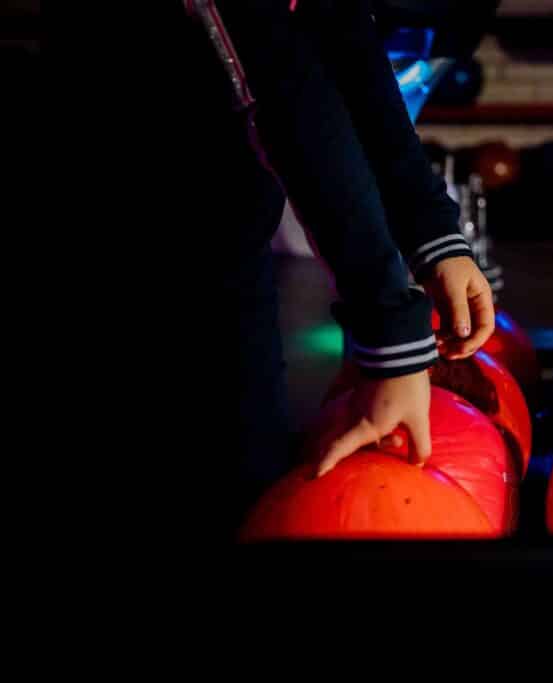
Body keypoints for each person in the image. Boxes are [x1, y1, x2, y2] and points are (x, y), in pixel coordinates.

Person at [183, 0, 495, 528]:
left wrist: (433, 233)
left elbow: (343, 38)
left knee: (251, 494)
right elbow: (277, 79)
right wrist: (390, 330)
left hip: (235, 264)